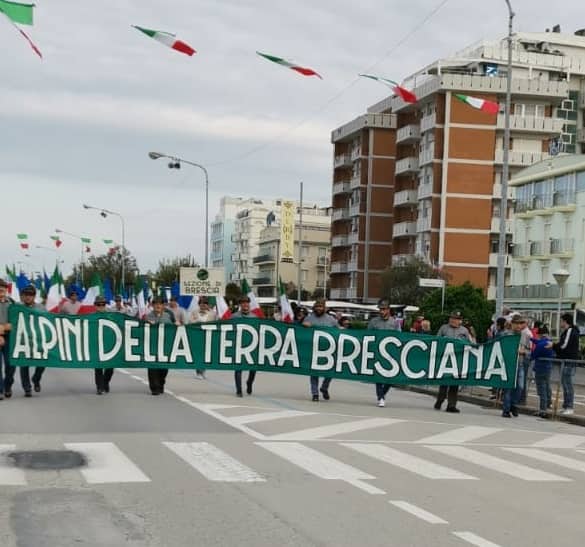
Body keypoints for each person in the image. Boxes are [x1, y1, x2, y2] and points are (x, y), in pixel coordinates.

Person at [433, 310, 472, 413]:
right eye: (452, 318)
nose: (453, 320)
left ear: (460, 321)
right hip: (445, 361)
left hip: (458, 361)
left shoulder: (464, 331)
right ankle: (440, 400)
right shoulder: (444, 328)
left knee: (454, 384)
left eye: (456, 319)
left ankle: (451, 405)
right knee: (444, 384)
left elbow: (469, 344)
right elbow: (436, 341)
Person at [303, 297, 338, 401]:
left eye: (321, 306)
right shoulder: (309, 318)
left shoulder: (331, 320)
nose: (319, 308)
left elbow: (339, 331)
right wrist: (303, 326)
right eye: (317, 306)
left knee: (331, 371)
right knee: (314, 372)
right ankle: (315, 393)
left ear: (325, 308)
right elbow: (301, 332)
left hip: (328, 350)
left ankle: (324, 387)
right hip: (313, 349)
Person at [368, 298, 401, 407]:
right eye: (380, 309)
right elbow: (367, 335)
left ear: (388, 309)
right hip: (377, 352)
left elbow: (400, 337)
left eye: (384, 309)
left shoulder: (395, 322)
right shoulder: (374, 322)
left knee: (390, 378)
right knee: (378, 376)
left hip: (390, 353)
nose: (382, 311)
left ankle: (383, 393)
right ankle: (380, 397)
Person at [17, 285, 46, 396]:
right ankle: (27, 388)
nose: (28, 297)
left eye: (31, 295)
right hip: (22, 341)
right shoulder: (17, 307)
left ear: (34, 296)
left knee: (43, 362)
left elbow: (49, 321)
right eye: (26, 295)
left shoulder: (41, 308)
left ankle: (36, 379)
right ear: (23, 296)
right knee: (23, 364)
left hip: (38, 340)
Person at [501, 316, 530, 418]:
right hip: (508, 364)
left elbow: (529, 350)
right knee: (508, 388)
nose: (518, 325)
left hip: (520, 363)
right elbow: (500, 348)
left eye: (520, 323)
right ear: (512, 324)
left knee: (520, 387)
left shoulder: (525, 336)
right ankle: (506, 410)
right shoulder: (505, 334)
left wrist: (524, 352)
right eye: (516, 323)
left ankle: (513, 404)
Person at [146, 296, 174, 395]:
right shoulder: (148, 316)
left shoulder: (168, 315)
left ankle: (161, 383)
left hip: (165, 346)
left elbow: (173, 327)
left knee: (164, 368)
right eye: (156, 304)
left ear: (163, 305)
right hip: (152, 346)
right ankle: (154, 387)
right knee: (152, 367)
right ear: (152, 305)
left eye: (160, 303)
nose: (158, 305)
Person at [553, 313, 580, 415]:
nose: (560, 323)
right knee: (565, 383)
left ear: (565, 321)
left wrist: (553, 345)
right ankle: (566, 406)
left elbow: (564, 345)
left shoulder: (570, 331)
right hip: (566, 360)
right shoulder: (568, 331)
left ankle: (569, 406)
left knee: (567, 384)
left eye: (561, 321)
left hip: (568, 360)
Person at [232, 295, 257, 396]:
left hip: (251, 345)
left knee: (253, 368)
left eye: (246, 302)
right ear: (240, 305)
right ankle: (239, 390)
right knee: (238, 368)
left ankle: (249, 382)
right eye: (243, 303)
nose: (245, 304)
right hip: (238, 345)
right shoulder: (234, 316)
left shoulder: (254, 317)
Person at [190, 296, 216, 379]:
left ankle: (203, 370)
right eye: (202, 303)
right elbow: (190, 321)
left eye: (205, 303)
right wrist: (198, 322)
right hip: (197, 336)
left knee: (206, 355)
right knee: (198, 354)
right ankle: (198, 372)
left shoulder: (213, 313)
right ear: (199, 304)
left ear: (208, 305)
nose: (203, 305)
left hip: (208, 336)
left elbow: (216, 323)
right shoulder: (194, 312)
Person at [93, 296, 114, 395]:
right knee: (98, 367)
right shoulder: (91, 317)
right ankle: (99, 387)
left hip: (109, 345)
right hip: (96, 344)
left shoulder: (110, 316)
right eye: (99, 304)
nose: (101, 306)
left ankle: (105, 382)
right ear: (95, 306)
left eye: (103, 304)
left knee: (110, 367)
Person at [532, 325, 554, 418]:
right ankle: (548, 404)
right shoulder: (549, 342)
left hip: (540, 368)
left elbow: (534, 355)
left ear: (540, 334)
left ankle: (542, 410)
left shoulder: (540, 344)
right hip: (548, 367)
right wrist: (532, 339)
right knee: (547, 386)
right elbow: (539, 342)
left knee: (542, 390)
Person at [0, 279, 15, 400]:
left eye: (3, 289)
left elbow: (18, 319)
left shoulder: (12, 303)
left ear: (6, 290)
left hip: (10, 336)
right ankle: (0, 390)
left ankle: (7, 385)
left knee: (11, 364)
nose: (1, 291)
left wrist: (11, 325)